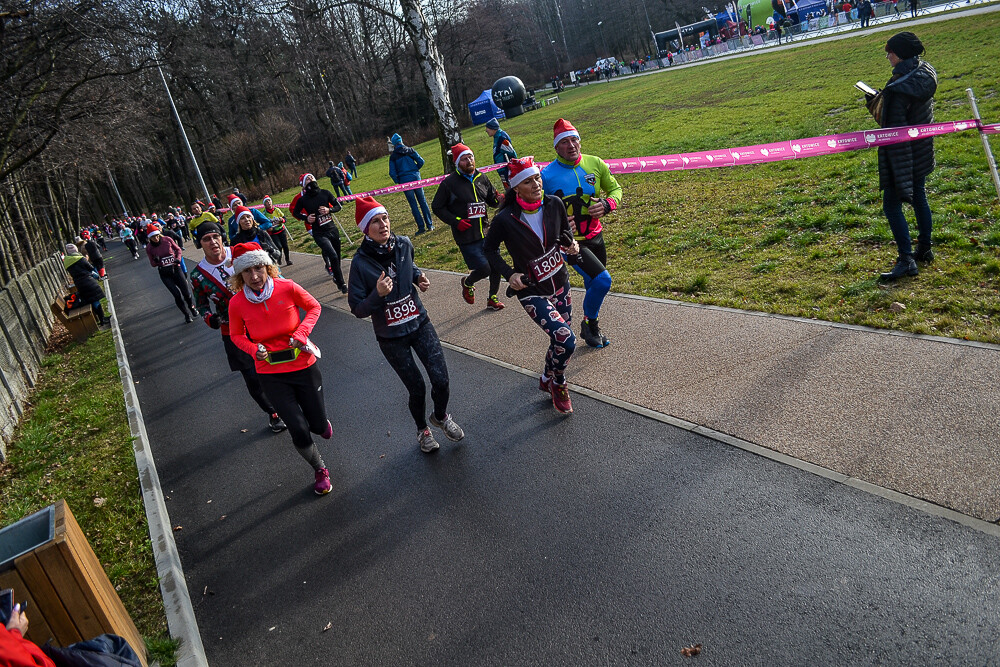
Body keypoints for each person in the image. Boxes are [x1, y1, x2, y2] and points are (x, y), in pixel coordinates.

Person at [348, 196, 464, 453]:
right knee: (417, 387)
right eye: (375, 222)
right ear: (366, 229)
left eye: (385, 218)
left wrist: (418, 276)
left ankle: (441, 416)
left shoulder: (403, 244)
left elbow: (407, 266)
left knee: (441, 379)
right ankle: (423, 430)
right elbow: (357, 308)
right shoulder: (360, 263)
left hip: (419, 323)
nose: (383, 225)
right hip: (391, 337)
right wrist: (376, 295)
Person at [227, 242, 334, 495]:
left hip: (303, 366)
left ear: (267, 267)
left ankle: (320, 423)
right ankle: (320, 469)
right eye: (247, 272)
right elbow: (235, 335)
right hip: (270, 373)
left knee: (318, 426)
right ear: (240, 276)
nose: (254, 277)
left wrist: (302, 331)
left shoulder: (287, 287)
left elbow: (314, 307)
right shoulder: (237, 303)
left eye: (258, 269)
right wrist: (254, 349)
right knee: (298, 428)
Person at [484, 157, 580, 414]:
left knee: (558, 340)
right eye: (528, 181)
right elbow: (489, 250)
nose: (536, 184)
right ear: (516, 188)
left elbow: (563, 235)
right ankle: (558, 382)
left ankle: (547, 376)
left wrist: (572, 245)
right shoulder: (505, 219)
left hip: (560, 283)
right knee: (567, 340)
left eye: (537, 178)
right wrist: (509, 274)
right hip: (531, 290)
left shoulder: (554, 203)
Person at [189, 222, 287, 434]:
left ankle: (290, 401)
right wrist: (210, 319)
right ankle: (273, 413)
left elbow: (273, 275)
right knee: (252, 377)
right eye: (206, 239)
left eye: (216, 236)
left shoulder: (242, 254)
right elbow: (201, 304)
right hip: (233, 331)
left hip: (264, 321)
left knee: (278, 364)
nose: (213, 242)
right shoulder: (197, 276)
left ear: (222, 237)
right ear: (200, 243)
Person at [540, 118, 622, 349]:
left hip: (596, 235)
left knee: (593, 284)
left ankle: (589, 325)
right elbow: (537, 209)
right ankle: (590, 325)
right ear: (556, 148)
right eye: (564, 142)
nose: (571, 145)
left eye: (574, 139)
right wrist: (558, 223)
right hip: (571, 243)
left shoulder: (595, 163)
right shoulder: (546, 176)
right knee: (603, 280)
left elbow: (615, 189)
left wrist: (608, 204)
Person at [867, 32, 937, 281]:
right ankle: (925, 248)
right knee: (919, 196)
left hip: (902, 155)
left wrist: (875, 104)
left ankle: (906, 259)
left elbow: (891, 130)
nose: (887, 56)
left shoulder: (897, 88)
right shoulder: (924, 72)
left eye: (889, 52)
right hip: (922, 148)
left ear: (899, 54)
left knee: (891, 205)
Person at [431, 142, 505, 310]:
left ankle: (492, 298)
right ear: (457, 163)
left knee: (495, 267)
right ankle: (468, 282)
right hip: (467, 236)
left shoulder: (481, 177)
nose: (469, 161)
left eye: (470, 157)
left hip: (486, 232)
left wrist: (499, 199)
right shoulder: (449, 184)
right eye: (464, 159)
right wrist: (456, 221)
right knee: (484, 269)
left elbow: (491, 200)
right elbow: (437, 207)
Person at [290, 173, 348, 293]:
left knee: (337, 257)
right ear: (303, 185)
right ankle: (342, 283)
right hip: (319, 233)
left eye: (311, 177)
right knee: (332, 255)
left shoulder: (325, 193)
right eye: (307, 179)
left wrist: (329, 210)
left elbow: (338, 206)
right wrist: (306, 218)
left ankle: (337, 278)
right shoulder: (302, 199)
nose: (310, 179)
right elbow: (295, 212)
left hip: (332, 229)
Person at [145, 224, 198, 323]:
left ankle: (192, 308)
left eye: (157, 236)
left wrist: (177, 259)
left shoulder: (167, 240)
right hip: (165, 273)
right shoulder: (149, 248)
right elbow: (152, 264)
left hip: (176, 269)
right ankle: (186, 314)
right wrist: (156, 261)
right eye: (153, 237)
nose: (156, 238)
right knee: (177, 295)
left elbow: (178, 249)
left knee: (186, 293)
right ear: (149, 238)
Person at [388, 133, 434, 234]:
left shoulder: (393, 156)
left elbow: (392, 173)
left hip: (404, 181)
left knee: (413, 205)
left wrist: (398, 181)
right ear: (401, 141)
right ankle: (430, 225)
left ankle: (421, 228)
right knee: (423, 202)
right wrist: (415, 171)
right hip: (416, 178)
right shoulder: (410, 150)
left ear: (394, 144)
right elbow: (421, 161)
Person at [63, 243, 110, 326]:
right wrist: (87, 259)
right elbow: (90, 268)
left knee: (92, 299)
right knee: (95, 299)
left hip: (79, 283)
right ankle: (102, 319)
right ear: (75, 250)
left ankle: (101, 318)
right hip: (88, 280)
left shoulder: (67, 261)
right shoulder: (80, 258)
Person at [485, 118, 517, 188]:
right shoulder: (497, 137)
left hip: (505, 169)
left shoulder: (501, 138)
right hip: (501, 169)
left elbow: (512, 153)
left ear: (493, 128)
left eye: (488, 128)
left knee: (510, 188)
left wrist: (513, 166)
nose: (486, 130)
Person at [262, 195, 292, 265]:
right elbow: (263, 224)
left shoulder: (277, 210)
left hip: (281, 230)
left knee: (285, 246)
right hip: (273, 233)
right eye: (266, 201)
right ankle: (279, 258)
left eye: (269, 200)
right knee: (279, 246)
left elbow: (284, 218)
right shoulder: (264, 214)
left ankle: (288, 260)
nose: (269, 202)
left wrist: (282, 220)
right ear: (264, 204)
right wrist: (268, 228)